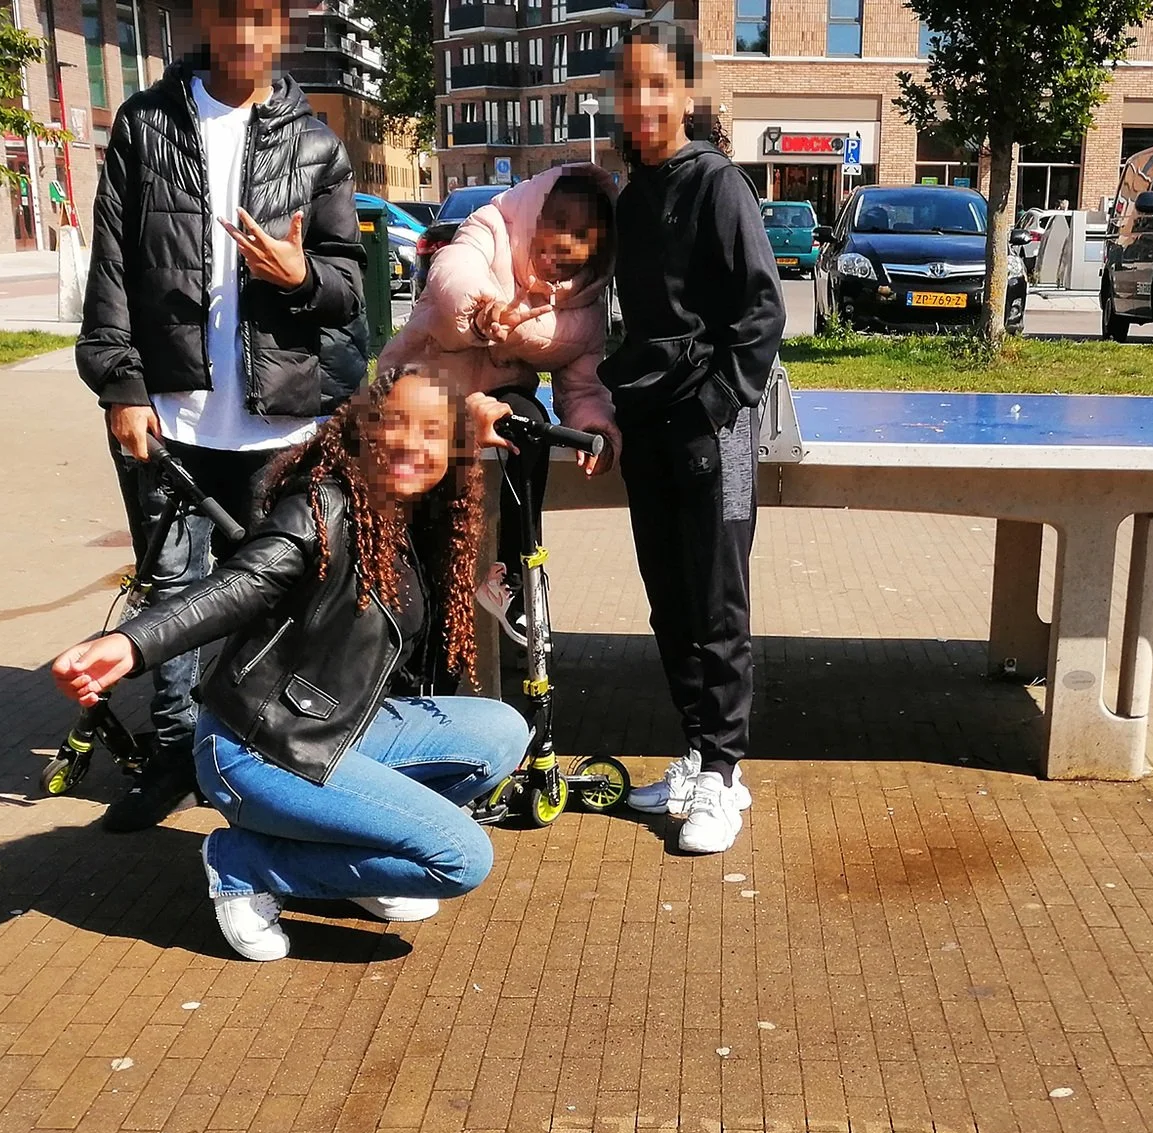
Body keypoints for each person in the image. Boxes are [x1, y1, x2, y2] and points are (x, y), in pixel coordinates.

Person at [50, 369, 532, 964]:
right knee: (461, 859)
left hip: (340, 729)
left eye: (434, 433)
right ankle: (246, 865)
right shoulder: (318, 509)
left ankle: (347, 861)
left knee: (501, 731)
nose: (413, 443)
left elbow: (462, 446)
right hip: (257, 748)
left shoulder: (417, 511)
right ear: (358, 432)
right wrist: (132, 643)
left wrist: (472, 430)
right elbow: (242, 582)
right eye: (395, 423)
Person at [77, 0, 366, 835]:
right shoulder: (145, 125)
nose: (245, 32)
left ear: (281, 28)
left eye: (263, 15)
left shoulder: (315, 141)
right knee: (169, 588)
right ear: (206, 18)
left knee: (268, 593)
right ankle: (174, 760)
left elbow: (350, 289)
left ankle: (252, 752)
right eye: (230, 13)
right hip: (171, 413)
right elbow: (114, 268)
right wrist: (121, 387)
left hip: (279, 424)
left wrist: (299, 273)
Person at [600, 20, 784, 855]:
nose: (640, 103)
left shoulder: (719, 186)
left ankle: (726, 775)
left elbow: (760, 313)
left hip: (716, 431)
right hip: (647, 426)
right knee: (670, 602)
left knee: (718, 604)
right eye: (627, 85)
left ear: (685, 93)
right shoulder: (632, 191)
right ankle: (693, 754)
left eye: (656, 86)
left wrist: (716, 406)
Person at [377, 166, 620, 637]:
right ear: (535, 212)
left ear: (599, 248)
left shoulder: (584, 312)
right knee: (425, 543)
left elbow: (583, 386)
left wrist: (595, 429)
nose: (564, 242)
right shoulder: (492, 227)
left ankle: (516, 574)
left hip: (495, 401)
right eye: (558, 220)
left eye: (582, 236)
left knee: (530, 419)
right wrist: (484, 308)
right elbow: (452, 269)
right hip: (424, 385)